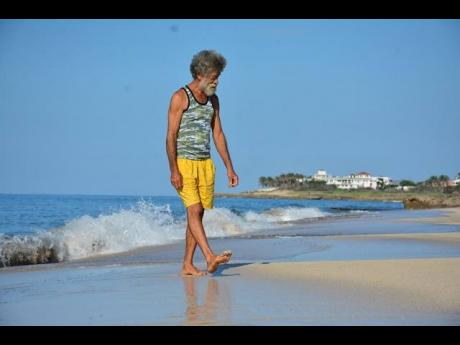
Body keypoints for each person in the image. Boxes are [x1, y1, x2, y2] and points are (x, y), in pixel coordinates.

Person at [166, 50, 239, 276]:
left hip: (205, 164)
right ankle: (209, 257)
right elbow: (171, 136)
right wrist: (174, 170)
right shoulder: (180, 97)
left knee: (197, 215)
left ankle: (187, 264)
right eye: (213, 77)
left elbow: (218, 134)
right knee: (194, 209)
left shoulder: (213, 100)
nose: (217, 82)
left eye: (218, 77)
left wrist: (229, 167)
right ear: (199, 74)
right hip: (184, 163)